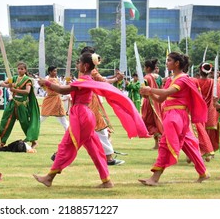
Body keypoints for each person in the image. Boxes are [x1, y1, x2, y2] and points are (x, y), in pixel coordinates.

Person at [33, 52, 147, 188]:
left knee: (66, 146)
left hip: (81, 115)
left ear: (85, 65)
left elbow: (63, 90)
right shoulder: (86, 80)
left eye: (79, 63)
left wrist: (46, 82)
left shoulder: (84, 80)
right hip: (85, 115)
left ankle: (49, 177)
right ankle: (107, 181)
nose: (77, 65)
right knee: (95, 149)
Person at [139, 52, 210, 186]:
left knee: (165, 144)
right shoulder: (171, 79)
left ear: (177, 63)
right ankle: (203, 173)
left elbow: (167, 92)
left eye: (169, 60)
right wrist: (149, 94)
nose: (167, 63)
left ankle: (154, 178)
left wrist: (150, 89)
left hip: (176, 115)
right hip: (172, 114)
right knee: (189, 145)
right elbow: (160, 99)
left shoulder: (183, 79)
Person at [0, 61, 40, 149]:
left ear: (25, 70)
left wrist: (15, 89)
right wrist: (8, 85)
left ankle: (34, 142)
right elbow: (2, 83)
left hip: (22, 105)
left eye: (22, 69)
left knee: (25, 123)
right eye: (18, 69)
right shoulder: (13, 78)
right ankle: (2, 143)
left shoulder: (27, 80)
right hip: (12, 103)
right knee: (5, 121)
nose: (20, 70)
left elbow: (27, 92)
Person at [192, 62, 220, 161]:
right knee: (209, 133)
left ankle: (203, 152)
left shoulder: (195, 81)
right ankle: (209, 152)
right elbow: (218, 96)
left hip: (198, 110)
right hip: (210, 110)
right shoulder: (214, 83)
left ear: (200, 70)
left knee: (199, 132)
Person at [142, 59, 163, 149]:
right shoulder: (159, 77)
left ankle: (159, 137)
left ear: (148, 68)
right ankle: (157, 144)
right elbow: (161, 88)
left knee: (148, 122)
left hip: (150, 101)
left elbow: (144, 92)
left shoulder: (147, 77)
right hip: (158, 100)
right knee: (156, 122)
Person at [40, 66, 69, 131]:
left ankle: (68, 131)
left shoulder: (55, 79)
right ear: (50, 72)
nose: (56, 72)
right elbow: (58, 87)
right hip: (50, 100)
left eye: (56, 71)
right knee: (44, 116)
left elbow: (60, 87)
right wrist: (66, 86)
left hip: (57, 99)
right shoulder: (49, 80)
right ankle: (33, 128)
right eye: (54, 71)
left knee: (62, 116)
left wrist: (67, 85)